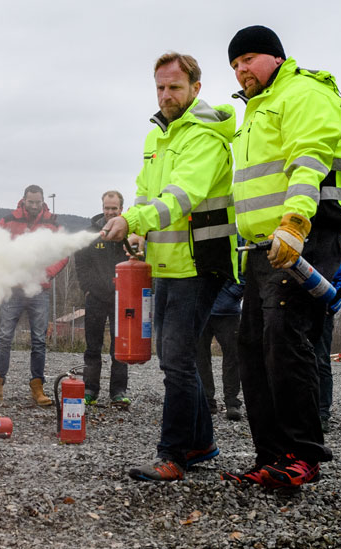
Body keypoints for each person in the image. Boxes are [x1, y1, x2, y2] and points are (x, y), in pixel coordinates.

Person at [100, 51, 239, 482]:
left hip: (200, 263)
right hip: (167, 264)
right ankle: (201, 443)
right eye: (160, 87)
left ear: (196, 88)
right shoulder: (157, 136)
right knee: (174, 358)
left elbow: (183, 197)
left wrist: (132, 221)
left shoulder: (204, 136)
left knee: (176, 360)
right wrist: (138, 228)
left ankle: (173, 455)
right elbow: (145, 193)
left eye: (174, 87)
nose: (165, 95)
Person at [226, 25, 341, 488]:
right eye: (235, 65)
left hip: (305, 236)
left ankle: (304, 454)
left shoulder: (303, 91)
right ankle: (271, 456)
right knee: (254, 349)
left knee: (286, 339)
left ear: (276, 58)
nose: (241, 70)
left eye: (249, 59)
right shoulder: (254, 112)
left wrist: (296, 221)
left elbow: (310, 158)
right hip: (262, 249)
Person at [0, 185, 69, 406]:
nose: (34, 206)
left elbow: (64, 252)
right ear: (23, 200)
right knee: (4, 336)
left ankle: (37, 388)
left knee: (38, 340)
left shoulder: (53, 224)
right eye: (30, 202)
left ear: (43, 201)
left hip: (39, 290)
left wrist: (48, 272)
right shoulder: (8, 220)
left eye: (38, 202)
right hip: (14, 290)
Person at [75, 191, 133, 410]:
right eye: (107, 208)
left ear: (121, 209)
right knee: (93, 347)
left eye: (114, 209)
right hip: (96, 298)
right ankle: (90, 390)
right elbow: (80, 264)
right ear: (102, 207)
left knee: (120, 348)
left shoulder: (130, 233)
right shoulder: (90, 234)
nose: (110, 212)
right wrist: (88, 290)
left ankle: (118, 392)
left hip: (122, 299)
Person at [315, 251, 341, 433]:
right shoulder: (292, 238)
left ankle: (322, 413)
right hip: (291, 311)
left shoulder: (332, 245)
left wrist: (330, 308)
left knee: (321, 362)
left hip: (321, 315)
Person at [198, 280, 243, 420]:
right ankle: (206, 401)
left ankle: (231, 402)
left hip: (228, 311)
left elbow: (245, 270)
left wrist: (231, 294)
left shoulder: (237, 255)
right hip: (201, 308)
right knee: (200, 357)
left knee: (233, 357)